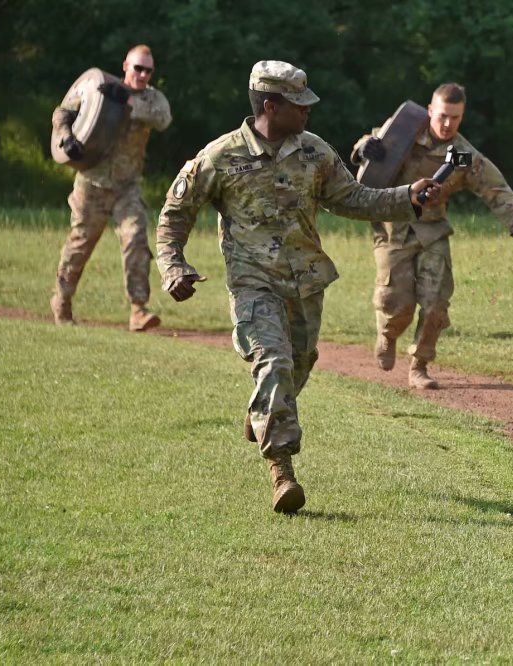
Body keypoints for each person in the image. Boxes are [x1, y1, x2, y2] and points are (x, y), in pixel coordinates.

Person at [155, 61, 440, 514]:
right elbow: (175, 214)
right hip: (253, 285)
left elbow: (354, 199)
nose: (308, 111)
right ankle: (281, 471)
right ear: (271, 105)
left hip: (307, 283)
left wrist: (407, 197)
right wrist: (173, 267)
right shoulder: (220, 156)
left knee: (298, 365)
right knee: (274, 361)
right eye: (298, 104)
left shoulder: (314, 152)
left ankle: (262, 413)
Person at [350, 83, 513, 390]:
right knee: (395, 302)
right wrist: (364, 148)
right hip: (392, 228)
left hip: (432, 230)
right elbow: (371, 147)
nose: (448, 123)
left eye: (456, 117)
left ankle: (419, 365)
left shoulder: (461, 155)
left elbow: (495, 188)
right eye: (443, 116)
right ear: (430, 111)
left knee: (436, 302)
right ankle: (387, 334)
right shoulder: (407, 130)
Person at [51, 44, 172, 331]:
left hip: (127, 186)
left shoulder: (153, 99)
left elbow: (163, 120)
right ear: (125, 66)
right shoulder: (100, 89)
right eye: (137, 68)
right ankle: (62, 302)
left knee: (135, 240)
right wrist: (67, 137)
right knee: (80, 245)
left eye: (148, 70)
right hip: (92, 182)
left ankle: (138, 310)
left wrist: (129, 103)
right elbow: (62, 112)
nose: (143, 74)